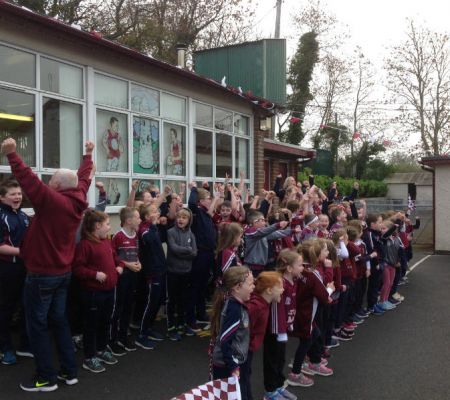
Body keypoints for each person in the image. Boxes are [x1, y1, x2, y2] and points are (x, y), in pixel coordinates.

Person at [1, 137, 94, 392]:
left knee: (37, 326)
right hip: (62, 273)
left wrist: (12, 154)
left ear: (58, 185)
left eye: (52, 179)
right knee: (59, 321)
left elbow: (29, 180)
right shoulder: (77, 196)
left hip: (42, 275)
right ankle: (69, 371)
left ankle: (46, 378)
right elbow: (83, 179)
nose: (48, 181)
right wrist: (87, 156)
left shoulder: (53, 201)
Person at [73, 210, 119, 373]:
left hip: (109, 290)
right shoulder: (84, 245)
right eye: (107, 224)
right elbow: (77, 268)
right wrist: (94, 275)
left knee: (105, 321)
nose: (109, 227)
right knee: (91, 325)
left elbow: (114, 257)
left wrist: (119, 265)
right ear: (97, 226)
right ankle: (89, 357)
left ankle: (101, 349)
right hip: (93, 293)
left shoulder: (106, 241)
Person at [287, 240, 335, 388]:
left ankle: (311, 361)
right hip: (306, 313)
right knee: (306, 341)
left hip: (300, 310)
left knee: (315, 334)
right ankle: (295, 373)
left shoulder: (301, 270)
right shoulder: (312, 274)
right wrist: (330, 289)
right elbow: (324, 295)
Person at [263, 250, 304, 400]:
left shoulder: (293, 280)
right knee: (272, 360)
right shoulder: (279, 284)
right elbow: (276, 310)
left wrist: (289, 323)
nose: (303, 268)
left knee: (281, 359)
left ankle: (279, 385)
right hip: (275, 330)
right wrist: (279, 330)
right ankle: (270, 391)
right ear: (289, 268)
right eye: (300, 265)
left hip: (283, 328)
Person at [0, 179, 30, 366]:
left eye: (19, 193)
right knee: (6, 309)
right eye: (13, 194)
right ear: (2, 197)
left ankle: (25, 345)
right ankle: (5, 348)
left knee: (26, 306)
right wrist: (24, 252)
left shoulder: (24, 215)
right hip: (7, 270)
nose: (17, 197)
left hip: (26, 268)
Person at [242, 272, 284, 400]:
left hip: (247, 349)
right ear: (269, 291)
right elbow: (242, 329)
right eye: (280, 287)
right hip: (243, 351)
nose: (283, 289)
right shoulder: (256, 307)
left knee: (245, 376)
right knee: (242, 379)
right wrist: (248, 345)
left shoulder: (264, 304)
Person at [210, 266, 254, 380]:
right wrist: (232, 366)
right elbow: (225, 339)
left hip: (234, 361)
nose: (253, 287)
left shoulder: (236, 305)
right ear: (238, 287)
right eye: (250, 284)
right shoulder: (234, 309)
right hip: (227, 365)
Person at [109, 207, 141, 355]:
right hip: (122, 277)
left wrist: (138, 262)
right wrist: (127, 265)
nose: (140, 220)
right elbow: (113, 256)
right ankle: (112, 340)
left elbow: (135, 253)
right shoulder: (118, 236)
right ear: (128, 221)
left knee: (129, 306)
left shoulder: (135, 234)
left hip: (133, 275)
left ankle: (123, 337)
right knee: (118, 307)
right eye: (137, 218)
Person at [135, 204, 166, 349]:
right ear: (147, 217)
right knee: (151, 303)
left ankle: (149, 328)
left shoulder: (153, 228)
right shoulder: (145, 230)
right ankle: (141, 335)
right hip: (152, 272)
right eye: (154, 211)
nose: (158, 212)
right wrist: (154, 224)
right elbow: (147, 239)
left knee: (158, 300)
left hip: (160, 269)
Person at [166, 208, 197, 341]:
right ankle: (171, 327)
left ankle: (181, 324)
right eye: (179, 217)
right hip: (173, 271)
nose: (181, 220)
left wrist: (184, 252)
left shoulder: (191, 234)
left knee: (183, 300)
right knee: (172, 299)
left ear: (189, 220)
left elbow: (194, 253)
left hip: (186, 271)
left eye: (184, 218)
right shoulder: (170, 232)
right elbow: (174, 249)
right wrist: (187, 250)